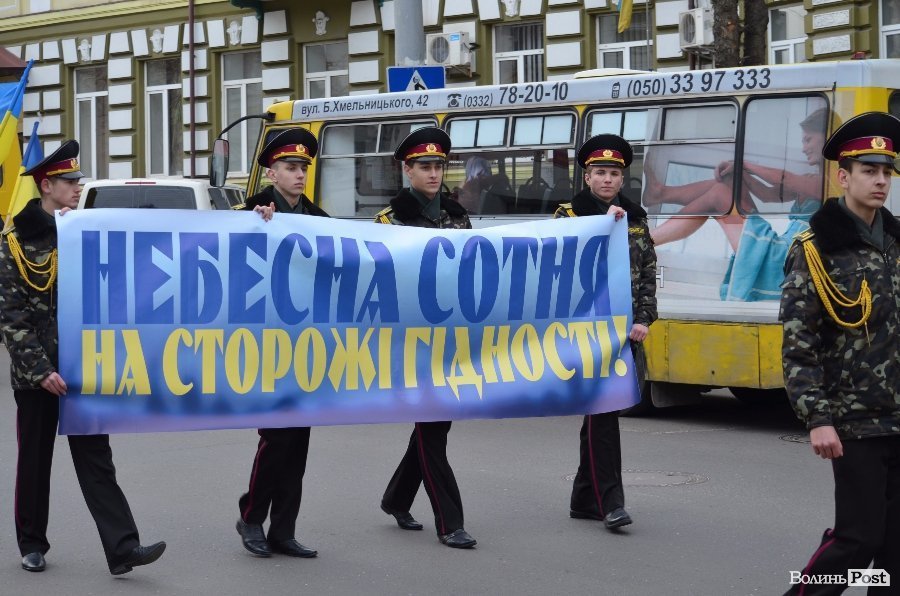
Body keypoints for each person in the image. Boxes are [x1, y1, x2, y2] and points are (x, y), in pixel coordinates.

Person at [0, 140, 166, 574]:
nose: (78, 187)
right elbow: (11, 315)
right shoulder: (15, 242)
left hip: (83, 368)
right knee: (34, 461)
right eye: (69, 181)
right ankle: (32, 543)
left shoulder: (88, 232)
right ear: (46, 185)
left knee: (97, 460)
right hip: (36, 376)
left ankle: (123, 548)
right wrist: (40, 370)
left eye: (78, 180)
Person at [780, 112, 900, 595]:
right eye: (869, 171)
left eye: (887, 171)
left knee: (895, 548)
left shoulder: (896, 243)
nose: (881, 181)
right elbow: (799, 343)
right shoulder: (816, 249)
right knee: (858, 538)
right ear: (843, 177)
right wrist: (818, 418)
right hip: (854, 418)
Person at [373, 127, 477, 549]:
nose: (433, 173)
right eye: (424, 166)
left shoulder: (458, 216)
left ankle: (397, 498)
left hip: (450, 340)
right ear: (407, 170)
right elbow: (378, 284)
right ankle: (450, 522)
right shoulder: (389, 221)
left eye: (438, 166)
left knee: (435, 426)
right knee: (433, 429)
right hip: (411, 343)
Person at [554, 134, 658, 531]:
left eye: (614, 173)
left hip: (624, 332)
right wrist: (601, 226)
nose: (607, 179)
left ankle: (585, 498)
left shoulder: (636, 219)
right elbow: (557, 269)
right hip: (584, 331)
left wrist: (643, 319)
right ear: (587, 177)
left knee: (602, 412)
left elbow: (647, 274)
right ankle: (611, 501)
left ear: (622, 178)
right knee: (604, 413)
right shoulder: (568, 216)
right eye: (599, 172)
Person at [235, 127, 327, 559]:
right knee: (275, 439)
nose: (299, 175)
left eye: (303, 167)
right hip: (265, 344)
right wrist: (254, 225)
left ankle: (284, 529)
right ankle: (251, 518)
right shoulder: (248, 216)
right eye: (290, 167)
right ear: (271, 173)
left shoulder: (319, 219)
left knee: (299, 443)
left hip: (306, 344)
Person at [645, 107, 829, 301]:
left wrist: (745, 164)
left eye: (808, 140)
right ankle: (660, 195)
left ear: (825, 137)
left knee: (719, 195)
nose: (803, 148)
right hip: (787, 250)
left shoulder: (831, 181)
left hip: (787, 258)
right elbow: (766, 194)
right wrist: (739, 171)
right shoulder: (809, 179)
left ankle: (646, 240)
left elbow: (786, 178)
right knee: (730, 182)